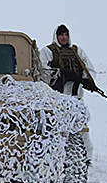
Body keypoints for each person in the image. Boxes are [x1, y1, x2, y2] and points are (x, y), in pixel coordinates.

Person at [40, 24, 97, 163]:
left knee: (81, 128)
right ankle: (53, 158)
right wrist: (61, 75)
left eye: (66, 35)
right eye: (61, 35)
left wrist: (84, 80)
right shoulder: (48, 51)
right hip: (56, 99)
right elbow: (42, 71)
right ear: (56, 36)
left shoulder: (77, 51)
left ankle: (86, 157)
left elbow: (89, 69)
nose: (64, 37)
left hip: (76, 97)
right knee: (55, 129)